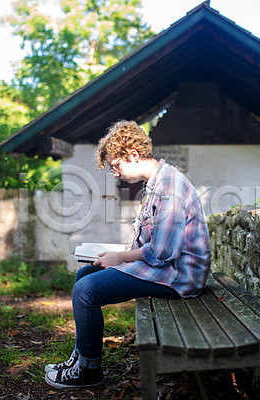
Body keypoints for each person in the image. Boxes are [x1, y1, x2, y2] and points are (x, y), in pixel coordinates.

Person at [44, 120, 211, 389]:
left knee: (86, 290)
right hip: (167, 267)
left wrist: (119, 258)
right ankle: (80, 358)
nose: (115, 174)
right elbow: (153, 243)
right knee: (85, 273)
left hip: (180, 277)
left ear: (132, 156)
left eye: (115, 166)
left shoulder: (170, 188)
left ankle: (89, 370)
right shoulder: (156, 183)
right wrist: (116, 254)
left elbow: (163, 252)